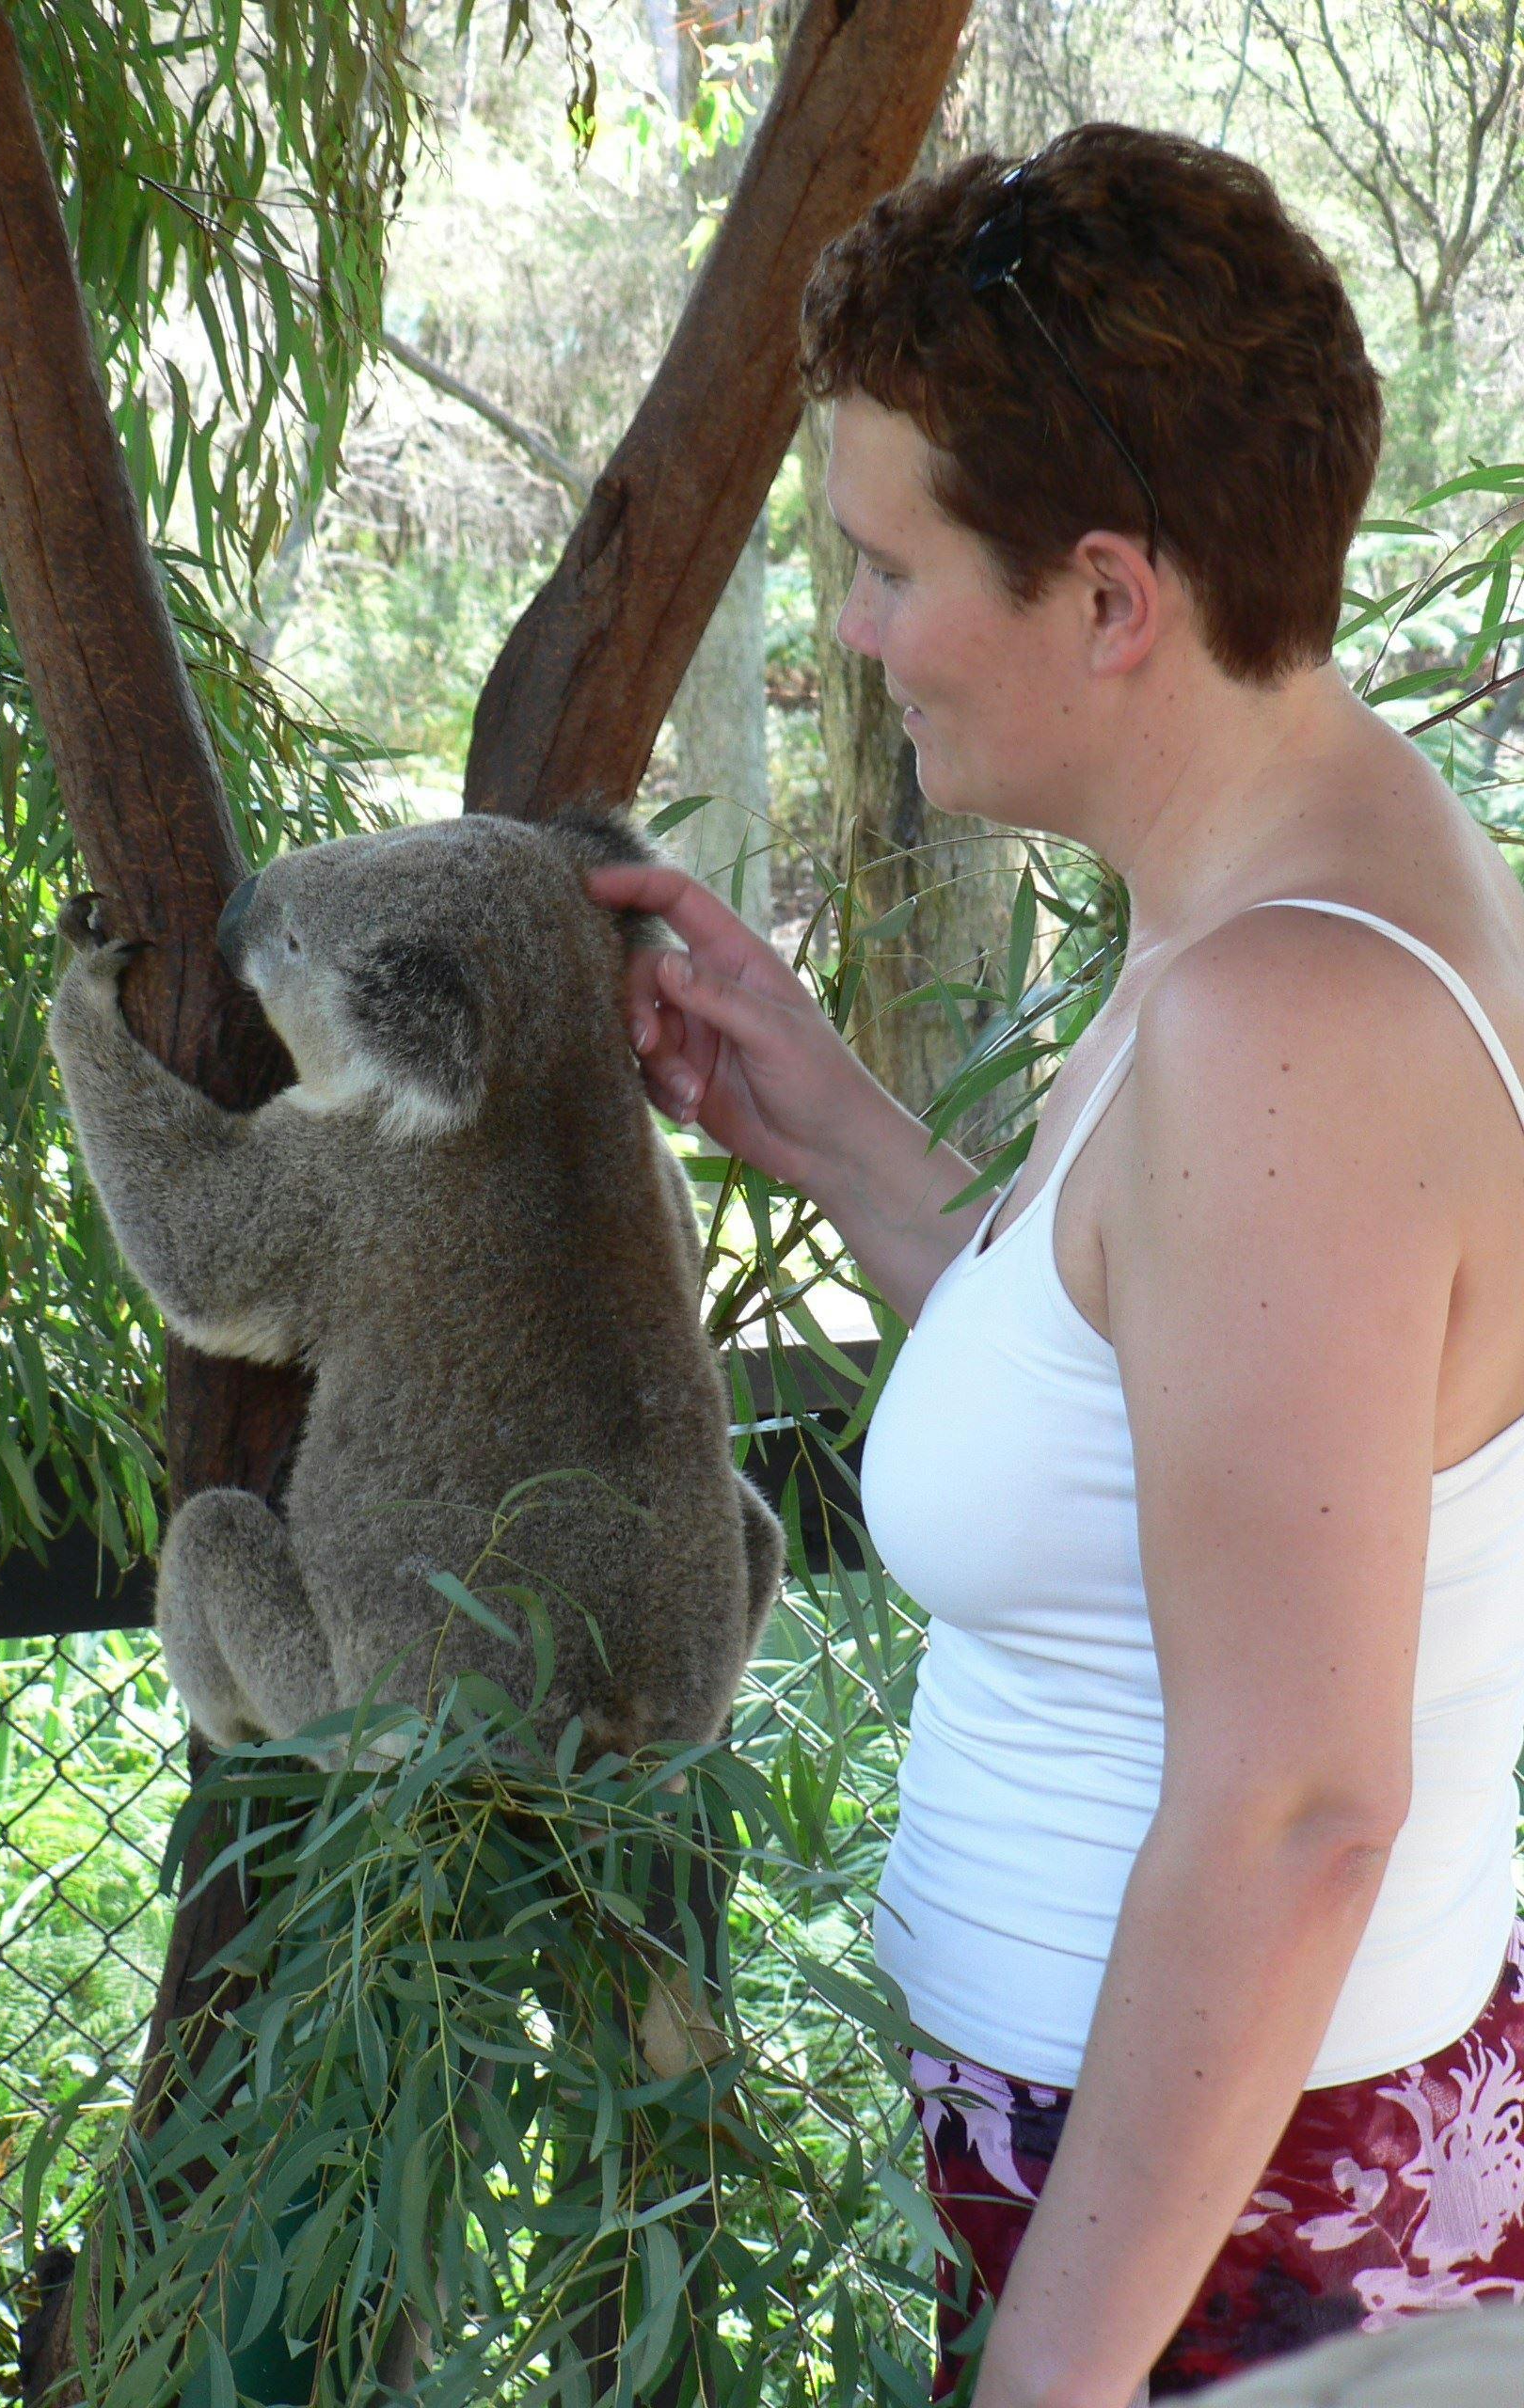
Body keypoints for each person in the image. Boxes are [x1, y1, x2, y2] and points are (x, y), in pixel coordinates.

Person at [583, 124, 1524, 2407]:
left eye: (889, 564)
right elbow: (1153, 1411)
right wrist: (825, 1124)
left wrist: (1053, 2383)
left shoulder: (1287, 1019)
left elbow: (1303, 1806)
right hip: (1208, 2204)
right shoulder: (1298, 869)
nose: (851, 626)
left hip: (1245, 2255)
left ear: (1111, 596)